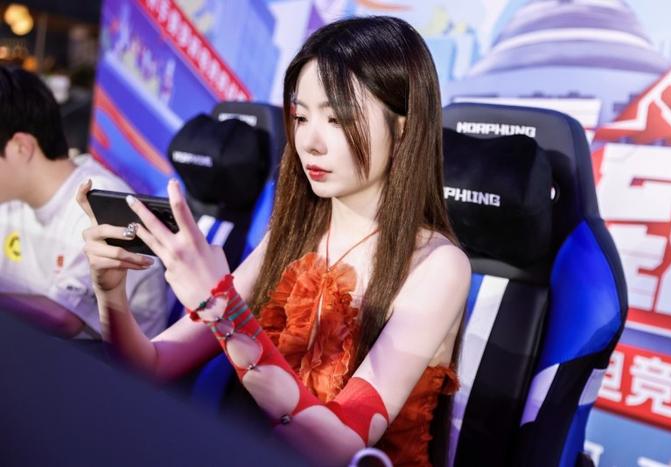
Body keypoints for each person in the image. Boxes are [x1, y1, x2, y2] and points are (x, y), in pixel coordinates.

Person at [77, 16, 470, 465]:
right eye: (301, 117)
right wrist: (111, 294)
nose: (310, 142)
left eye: (337, 119)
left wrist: (222, 308)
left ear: (402, 130)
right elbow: (150, 365)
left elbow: (339, 446)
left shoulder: (437, 265)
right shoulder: (292, 235)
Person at [0, 66, 167, 339]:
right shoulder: (11, 198)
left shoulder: (100, 200)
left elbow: (64, 318)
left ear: (22, 147)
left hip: (104, 364)